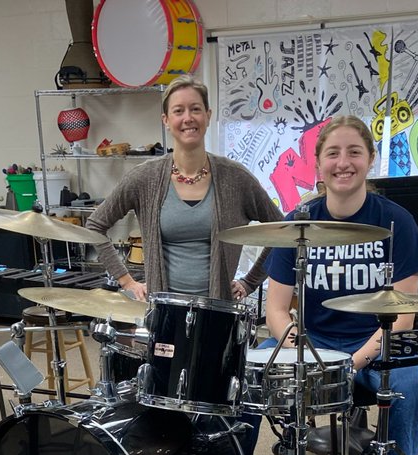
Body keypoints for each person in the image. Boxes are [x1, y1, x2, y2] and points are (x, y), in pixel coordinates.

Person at [258, 115, 418, 455]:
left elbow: (403, 316)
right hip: (313, 340)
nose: (343, 162)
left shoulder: (396, 222)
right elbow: (276, 309)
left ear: (370, 158)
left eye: (355, 152)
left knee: (412, 385)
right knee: (250, 371)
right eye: (333, 153)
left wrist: (353, 362)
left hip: (377, 341)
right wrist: (296, 348)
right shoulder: (297, 223)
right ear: (318, 164)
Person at [86, 76, 281, 302]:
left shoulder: (235, 178)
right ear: (166, 120)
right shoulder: (145, 178)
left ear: (208, 116)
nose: (188, 118)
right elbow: (95, 225)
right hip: (164, 314)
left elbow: (283, 233)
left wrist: (250, 281)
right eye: (178, 111)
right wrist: (127, 281)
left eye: (195, 109)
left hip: (218, 313)